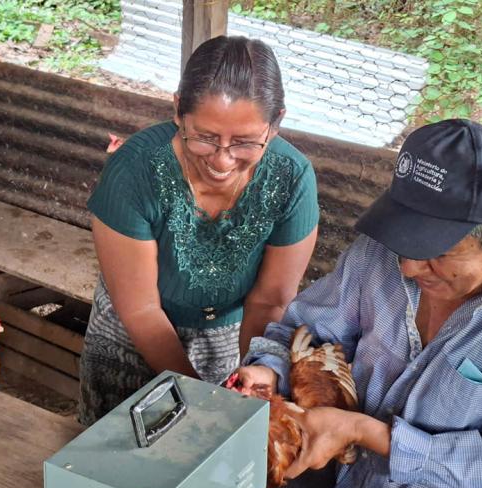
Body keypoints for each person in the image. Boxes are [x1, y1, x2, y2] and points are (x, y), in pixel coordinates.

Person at [237, 119, 482, 488]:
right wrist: (270, 369)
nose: (408, 267)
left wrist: (368, 433)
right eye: (405, 243)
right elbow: (308, 328)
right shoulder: (389, 244)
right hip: (333, 475)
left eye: (438, 253)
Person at [78, 35, 319, 425]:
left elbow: (269, 302)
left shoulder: (292, 177)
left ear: (275, 125)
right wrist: (199, 400)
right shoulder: (135, 171)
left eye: (244, 143)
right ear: (178, 110)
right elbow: (140, 308)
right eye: (205, 137)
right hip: (133, 335)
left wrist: (251, 372)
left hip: (232, 334)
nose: (222, 160)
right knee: (117, 455)